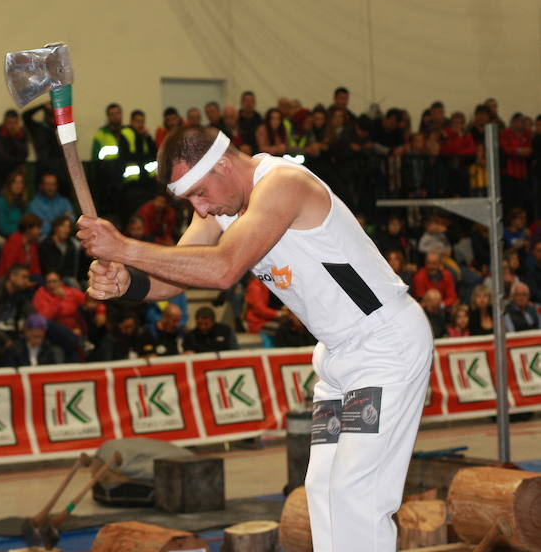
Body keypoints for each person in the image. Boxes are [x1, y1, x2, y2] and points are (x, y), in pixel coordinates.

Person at [77, 125, 433, 552]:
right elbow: (175, 277)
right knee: (323, 490)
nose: (201, 209)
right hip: (339, 357)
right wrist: (127, 282)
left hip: (383, 346)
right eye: (189, 200)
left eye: (199, 193)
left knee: (357, 493)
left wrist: (125, 249)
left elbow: (223, 269)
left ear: (224, 163)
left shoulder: (283, 184)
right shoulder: (219, 203)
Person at [21, 102, 68, 196]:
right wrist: (42, 105)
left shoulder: (62, 130)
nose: (52, 117)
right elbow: (25, 115)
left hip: (59, 171)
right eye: (50, 114)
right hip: (42, 169)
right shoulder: (38, 128)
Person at [0, 109, 27, 195]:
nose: (12, 126)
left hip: (12, 175)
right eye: (9, 123)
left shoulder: (21, 134)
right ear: (4, 122)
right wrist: (17, 160)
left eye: (14, 123)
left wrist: (15, 138)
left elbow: (24, 154)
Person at [0, 213, 42, 279]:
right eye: (38, 228)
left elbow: (36, 268)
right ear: (28, 229)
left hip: (25, 278)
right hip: (8, 279)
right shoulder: (14, 241)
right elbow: (9, 267)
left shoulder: (33, 245)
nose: (40, 231)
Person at [38, 216, 81, 288]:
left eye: (68, 227)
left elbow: (72, 269)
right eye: (63, 226)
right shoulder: (46, 244)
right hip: (49, 278)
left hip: (66, 278)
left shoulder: (71, 245)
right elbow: (45, 267)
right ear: (55, 228)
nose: (66, 230)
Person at [27, 173, 74, 237]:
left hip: (64, 237)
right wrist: (60, 220)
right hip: (43, 238)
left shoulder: (65, 202)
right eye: (47, 184)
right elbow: (39, 228)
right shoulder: (34, 204)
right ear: (41, 186)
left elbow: (71, 221)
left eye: (53, 184)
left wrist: (50, 222)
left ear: (57, 186)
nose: (50, 187)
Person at [0, 171, 28, 238]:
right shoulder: (1, 202)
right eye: (15, 182)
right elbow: (3, 228)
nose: (18, 185)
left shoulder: (24, 202)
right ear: (9, 184)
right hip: (8, 237)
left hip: (24, 236)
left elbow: (30, 222)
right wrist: (23, 231)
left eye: (20, 182)